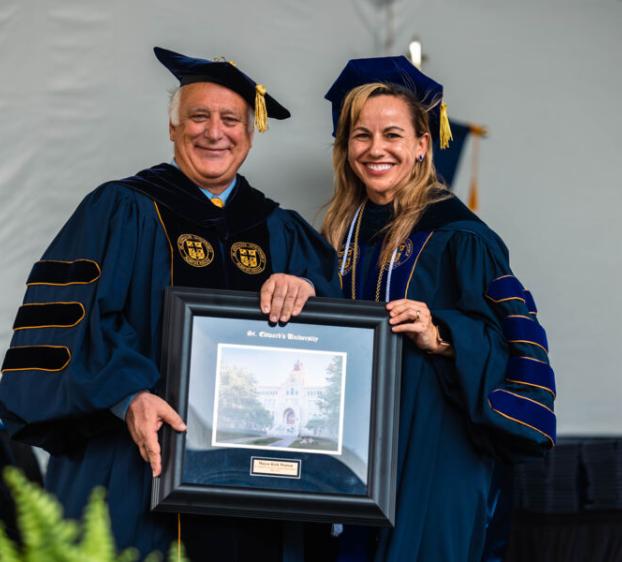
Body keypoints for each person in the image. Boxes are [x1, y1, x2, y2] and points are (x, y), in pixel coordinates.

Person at [0, 46, 340, 560]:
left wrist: (309, 290)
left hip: (257, 484)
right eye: (198, 117)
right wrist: (127, 396)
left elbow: (338, 348)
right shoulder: (120, 209)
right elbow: (71, 325)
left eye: (230, 120)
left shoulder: (281, 231)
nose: (214, 132)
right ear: (173, 129)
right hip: (138, 462)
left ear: (250, 134)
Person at [321, 56, 556, 562]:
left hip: (436, 448)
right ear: (346, 148)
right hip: (350, 451)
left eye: (393, 135)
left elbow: (512, 344)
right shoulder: (339, 234)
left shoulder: (460, 237)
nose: (375, 149)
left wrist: (443, 333)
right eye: (361, 135)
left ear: (422, 145)